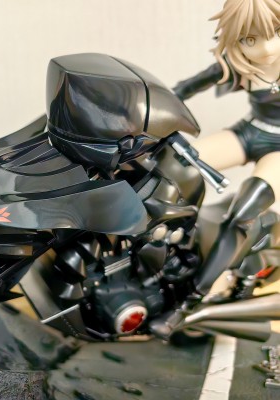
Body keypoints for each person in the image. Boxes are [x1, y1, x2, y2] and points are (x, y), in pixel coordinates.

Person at [154, 0, 280, 338]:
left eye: (276, 33)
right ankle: (166, 252)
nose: (266, 48)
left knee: (243, 212)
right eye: (250, 39)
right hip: (249, 132)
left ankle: (190, 302)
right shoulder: (236, 64)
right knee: (169, 169)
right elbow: (180, 91)